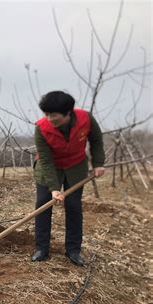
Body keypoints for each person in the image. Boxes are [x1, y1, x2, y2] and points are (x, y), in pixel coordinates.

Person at [32, 91, 105, 266]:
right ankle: (41, 248)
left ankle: (73, 250)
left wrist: (98, 163)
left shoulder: (86, 119)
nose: (50, 118)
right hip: (49, 168)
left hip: (75, 166)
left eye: (54, 115)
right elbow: (46, 159)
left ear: (67, 113)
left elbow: (96, 140)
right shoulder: (41, 128)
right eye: (46, 114)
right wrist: (54, 189)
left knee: (73, 206)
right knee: (43, 204)